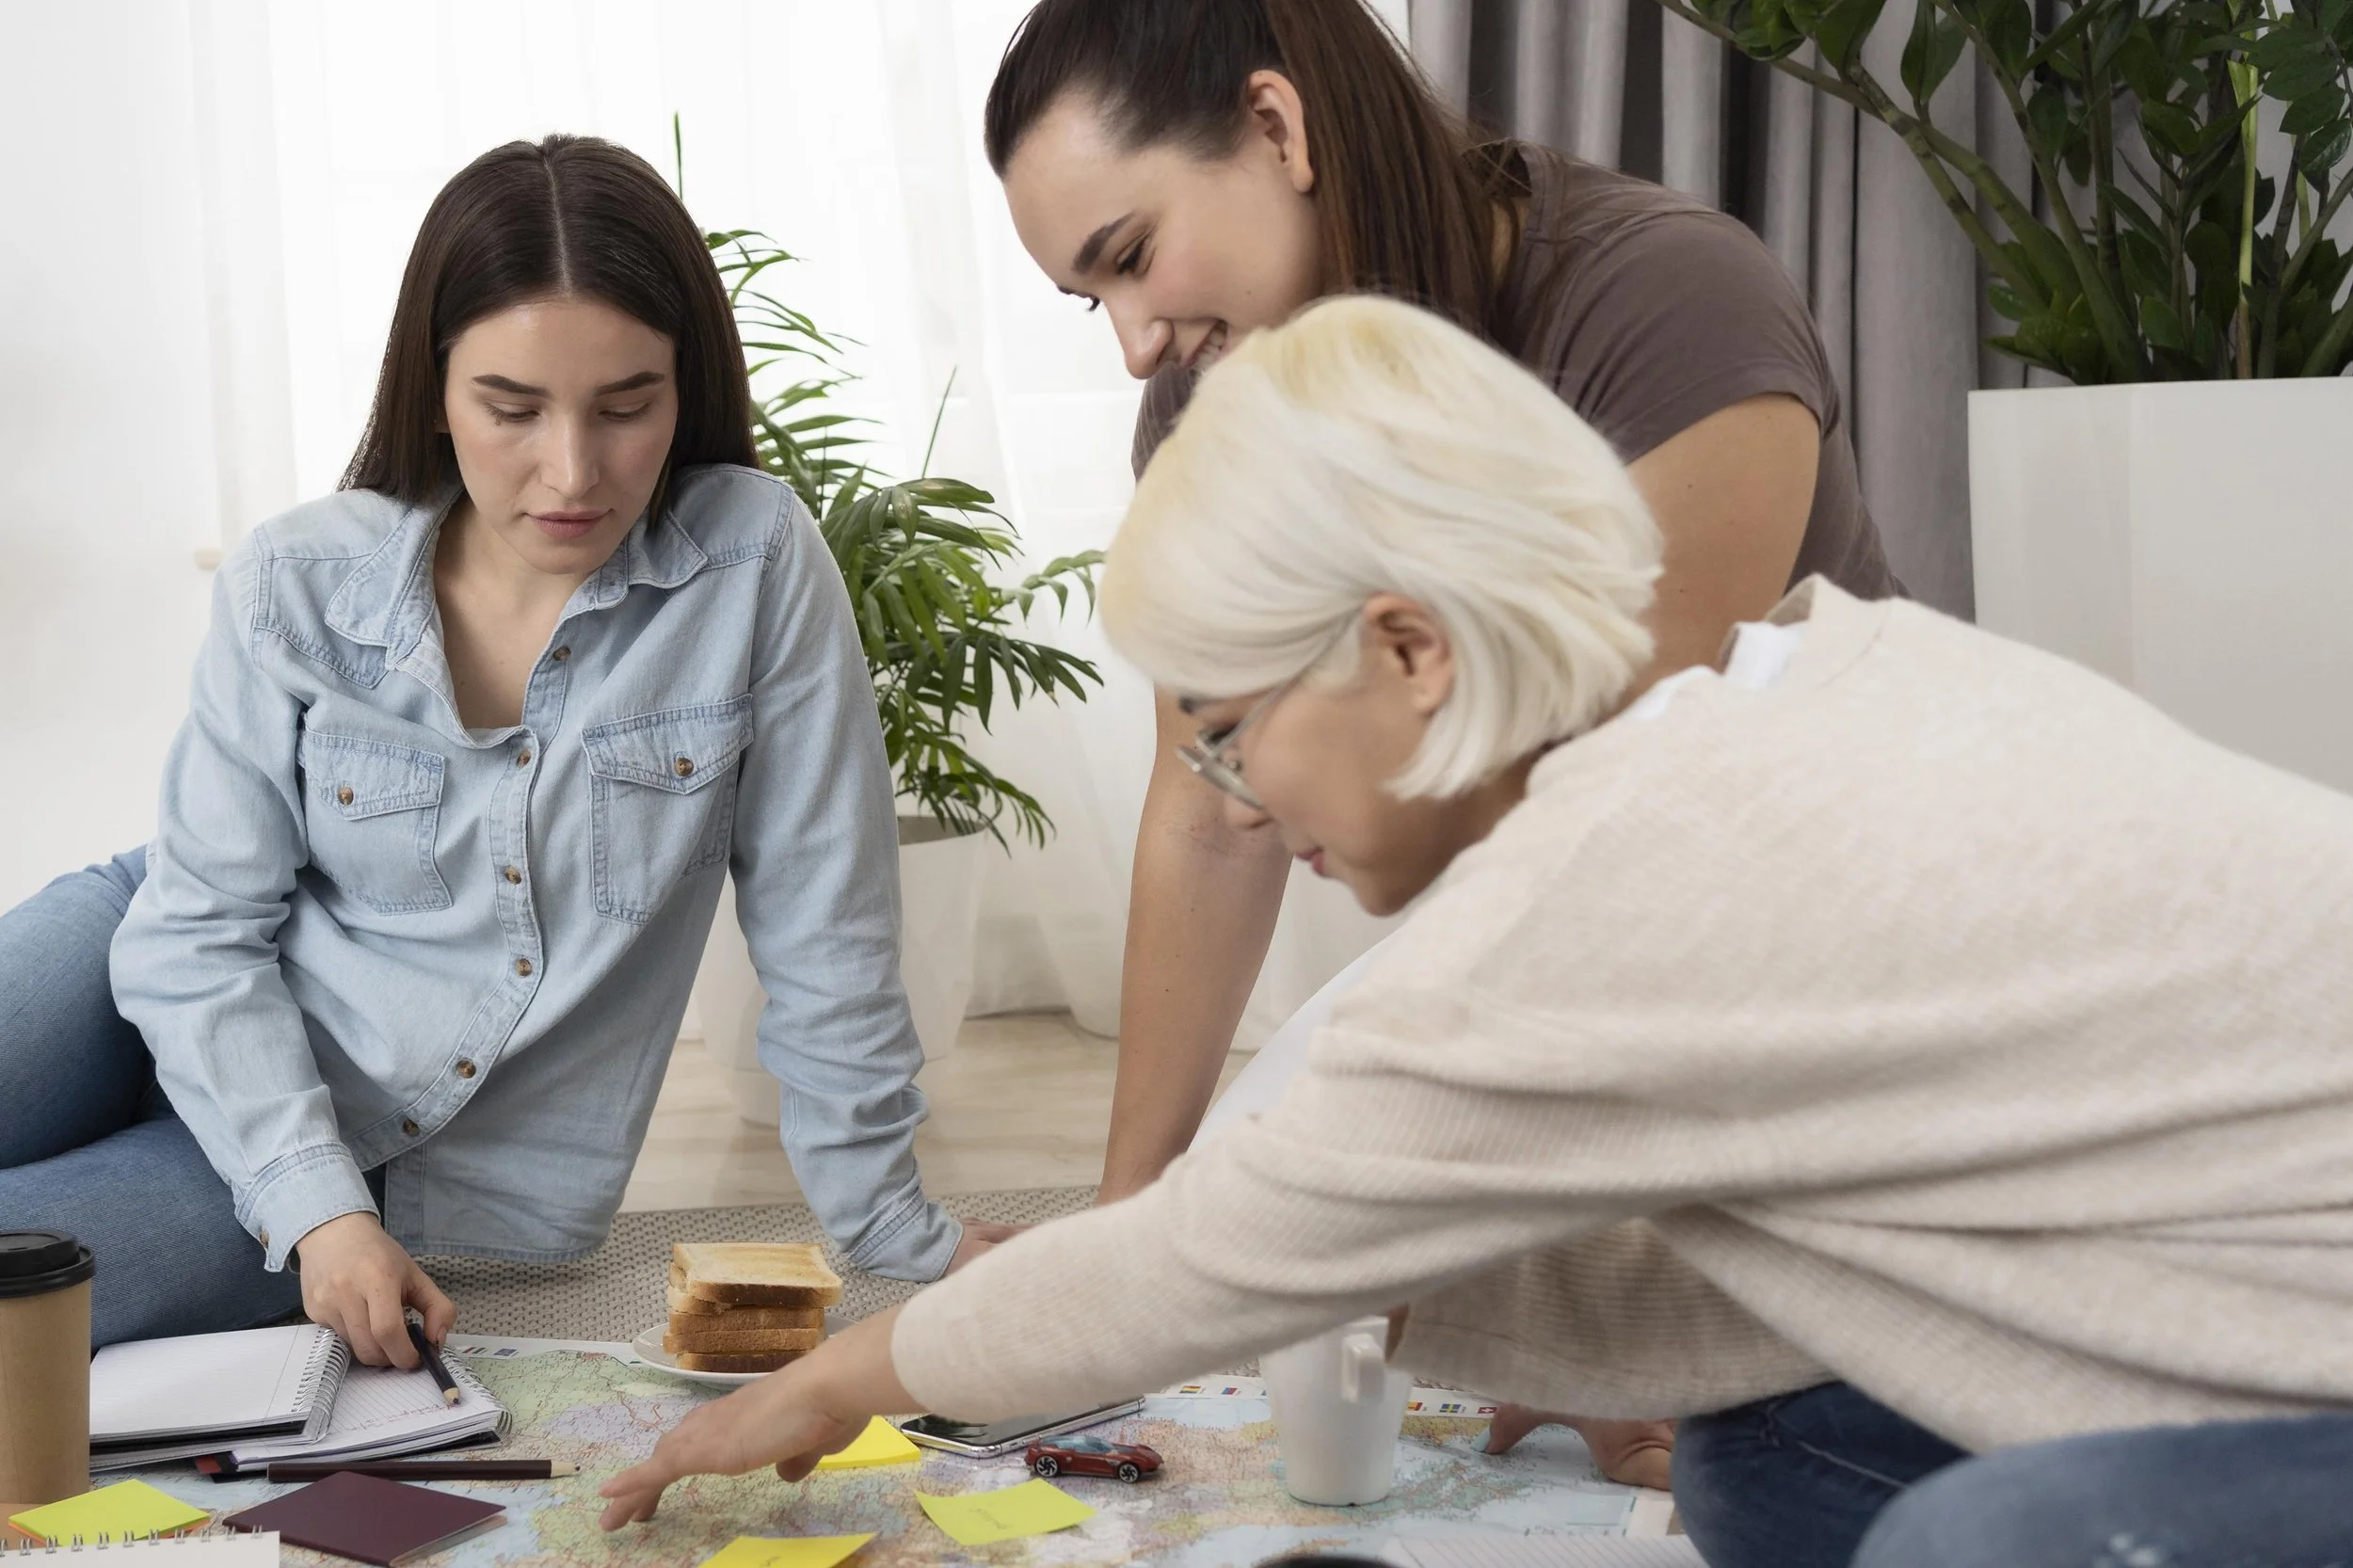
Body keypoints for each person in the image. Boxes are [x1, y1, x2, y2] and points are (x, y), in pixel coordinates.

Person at [595, 297, 2353, 1567]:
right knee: (1774, 1452)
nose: (1236, 799)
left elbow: (1191, 1259)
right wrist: (1438, 1286)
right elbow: (1829, 1240)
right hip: (2259, 1310)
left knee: (1994, 1541)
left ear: (1409, 649)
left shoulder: (1596, 897)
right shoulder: (1813, 671)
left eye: (1227, 729)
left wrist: (834, 1381)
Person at [983, 0, 1890, 1479]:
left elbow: (1603, 821)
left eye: (1133, 256)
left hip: (1807, 964)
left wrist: (1574, 1296)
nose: (1138, 343)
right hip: (1587, 953)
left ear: (1278, 132)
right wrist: (1125, 1238)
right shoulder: (1214, 398)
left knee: (1750, 1454)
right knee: (1278, 1203)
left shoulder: (1669, 299)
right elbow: (1213, 808)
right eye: (1095, 302)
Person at [0, 135, 1008, 1364]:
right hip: (150, 962)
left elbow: (827, 932)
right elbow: (191, 934)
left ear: (688, 388)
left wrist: (904, 1236)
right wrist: (318, 1208)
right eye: (512, 409)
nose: (572, 471)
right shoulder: (296, 579)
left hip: (385, 1157)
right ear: (434, 387)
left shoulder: (753, 566)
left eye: (627, 406)